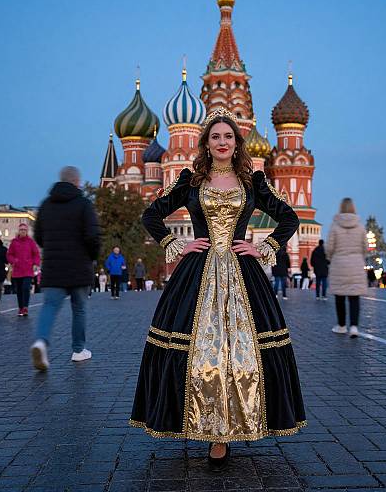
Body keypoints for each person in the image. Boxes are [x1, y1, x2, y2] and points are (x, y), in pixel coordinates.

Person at [129, 108, 306, 469]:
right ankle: (210, 429)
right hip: (197, 273)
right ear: (206, 144)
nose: (222, 142)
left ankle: (236, 426)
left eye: (228, 136)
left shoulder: (254, 181)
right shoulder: (190, 181)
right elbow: (151, 214)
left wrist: (265, 247)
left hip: (244, 272)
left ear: (236, 143)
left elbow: (289, 217)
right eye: (215, 137)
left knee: (245, 352)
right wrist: (174, 244)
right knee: (199, 353)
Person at [30, 166, 100, 371]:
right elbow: (93, 236)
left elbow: (38, 236)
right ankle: (78, 351)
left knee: (49, 306)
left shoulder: (46, 205)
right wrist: (92, 257)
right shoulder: (84, 205)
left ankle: (41, 342)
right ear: (77, 182)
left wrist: (51, 249)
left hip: (53, 267)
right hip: (79, 267)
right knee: (79, 309)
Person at [326, 198, 367, 338]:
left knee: (340, 296)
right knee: (354, 297)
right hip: (356, 264)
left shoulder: (334, 226)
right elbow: (365, 247)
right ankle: (354, 326)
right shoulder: (360, 227)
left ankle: (342, 325)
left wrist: (331, 257)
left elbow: (329, 247)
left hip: (339, 263)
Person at [7, 223, 40, 316]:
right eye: (21, 230)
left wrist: (35, 264)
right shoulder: (14, 242)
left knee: (25, 288)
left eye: (24, 230)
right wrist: (14, 261)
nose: (22, 231)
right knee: (19, 290)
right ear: (19, 231)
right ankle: (20, 308)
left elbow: (36, 254)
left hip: (28, 270)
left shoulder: (31, 242)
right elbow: (9, 255)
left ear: (27, 231)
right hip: (17, 271)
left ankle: (25, 307)